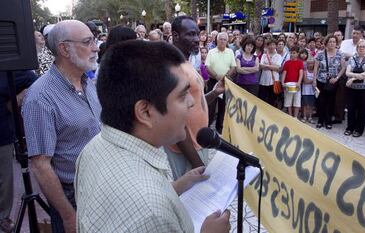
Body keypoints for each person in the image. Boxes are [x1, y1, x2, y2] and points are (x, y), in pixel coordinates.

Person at [75, 40, 231, 233]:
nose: (192, 103)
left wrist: (175, 187)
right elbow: (146, 211)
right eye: (182, 96)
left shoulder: (94, 147)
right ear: (145, 112)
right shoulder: (152, 212)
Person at [22, 20, 101, 233]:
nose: (95, 47)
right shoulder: (40, 98)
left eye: (94, 40)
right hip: (72, 197)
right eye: (87, 42)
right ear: (64, 49)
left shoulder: (87, 82)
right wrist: (68, 215)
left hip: (99, 187)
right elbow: (41, 166)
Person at [169, 16, 224, 179]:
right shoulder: (173, 67)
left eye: (197, 34)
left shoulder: (186, 63)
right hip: (186, 150)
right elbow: (175, 119)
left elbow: (194, 104)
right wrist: (197, 162)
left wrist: (214, 93)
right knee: (190, 200)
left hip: (199, 144)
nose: (196, 39)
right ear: (175, 35)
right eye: (190, 34)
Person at [0, 71, 37, 233]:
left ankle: (3, 216)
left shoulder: (7, 71)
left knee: (4, 178)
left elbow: (32, 79)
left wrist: (15, 100)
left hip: (2, 134)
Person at [206, 32, 236, 134]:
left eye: (224, 39)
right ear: (216, 40)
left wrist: (225, 77)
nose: (222, 41)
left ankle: (220, 128)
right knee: (211, 106)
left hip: (225, 82)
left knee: (223, 106)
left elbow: (233, 67)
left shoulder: (230, 52)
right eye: (220, 39)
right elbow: (207, 66)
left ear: (227, 41)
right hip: (213, 81)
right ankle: (208, 126)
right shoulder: (211, 52)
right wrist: (216, 76)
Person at [313, 35, 346, 129]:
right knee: (321, 101)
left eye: (334, 42)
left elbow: (343, 67)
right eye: (330, 41)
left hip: (333, 81)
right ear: (326, 43)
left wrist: (337, 78)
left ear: (336, 43)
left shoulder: (340, 53)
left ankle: (328, 121)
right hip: (321, 80)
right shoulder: (320, 53)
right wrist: (314, 80)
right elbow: (316, 67)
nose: (332, 43)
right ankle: (320, 120)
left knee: (331, 102)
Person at [344, 40, 365, 137]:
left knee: (362, 109)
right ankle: (350, 128)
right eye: (360, 46)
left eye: (364, 46)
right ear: (357, 48)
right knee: (351, 109)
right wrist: (357, 76)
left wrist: (352, 78)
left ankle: (359, 129)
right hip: (352, 89)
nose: (361, 48)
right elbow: (347, 73)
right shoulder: (352, 58)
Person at [281, 46, 304, 118]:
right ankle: (290, 116)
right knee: (288, 101)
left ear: (297, 54)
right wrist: (282, 82)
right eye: (291, 53)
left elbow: (301, 74)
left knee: (297, 101)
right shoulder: (287, 63)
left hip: (296, 84)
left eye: (294, 53)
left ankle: (295, 117)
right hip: (288, 84)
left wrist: (299, 83)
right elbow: (284, 73)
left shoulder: (300, 63)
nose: (292, 55)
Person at [259, 38, 282, 106]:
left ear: (276, 46)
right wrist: (272, 66)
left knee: (273, 100)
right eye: (270, 45)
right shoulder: (264, 55)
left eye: (273, 45)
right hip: (264, 80)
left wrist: (266, 66)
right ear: (267, 46)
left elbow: (278, 68)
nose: (271, 46)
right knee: (263, 99)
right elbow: (260, 66)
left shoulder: (278, 56)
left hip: (274, 80)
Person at [301, 59, 316, 123]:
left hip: (312, 91)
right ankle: (304, 116)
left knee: (311, 105)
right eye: (309, 63)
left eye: (312, 63)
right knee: (305, 104)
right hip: (305, 91)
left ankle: (310, 117)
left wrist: (313, 81)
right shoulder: (305, 71)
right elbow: (305, 81)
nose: (310, 65)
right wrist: (313, 80)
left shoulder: (315, 71)